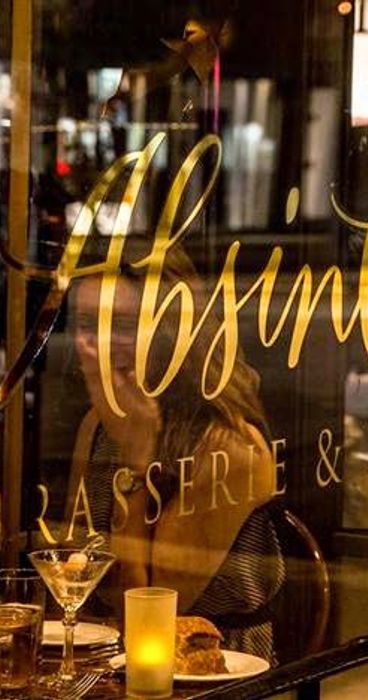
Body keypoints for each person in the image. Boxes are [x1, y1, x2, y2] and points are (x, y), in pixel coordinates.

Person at [64, 237, 284, 660]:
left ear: (172, 334)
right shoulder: (96, 425)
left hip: (208, 664)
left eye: (123, 325)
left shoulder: (229, 445)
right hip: (109, 652)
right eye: (86, 323)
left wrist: (135, 462)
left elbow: (150, 618)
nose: (98, 344)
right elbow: (73, 570)